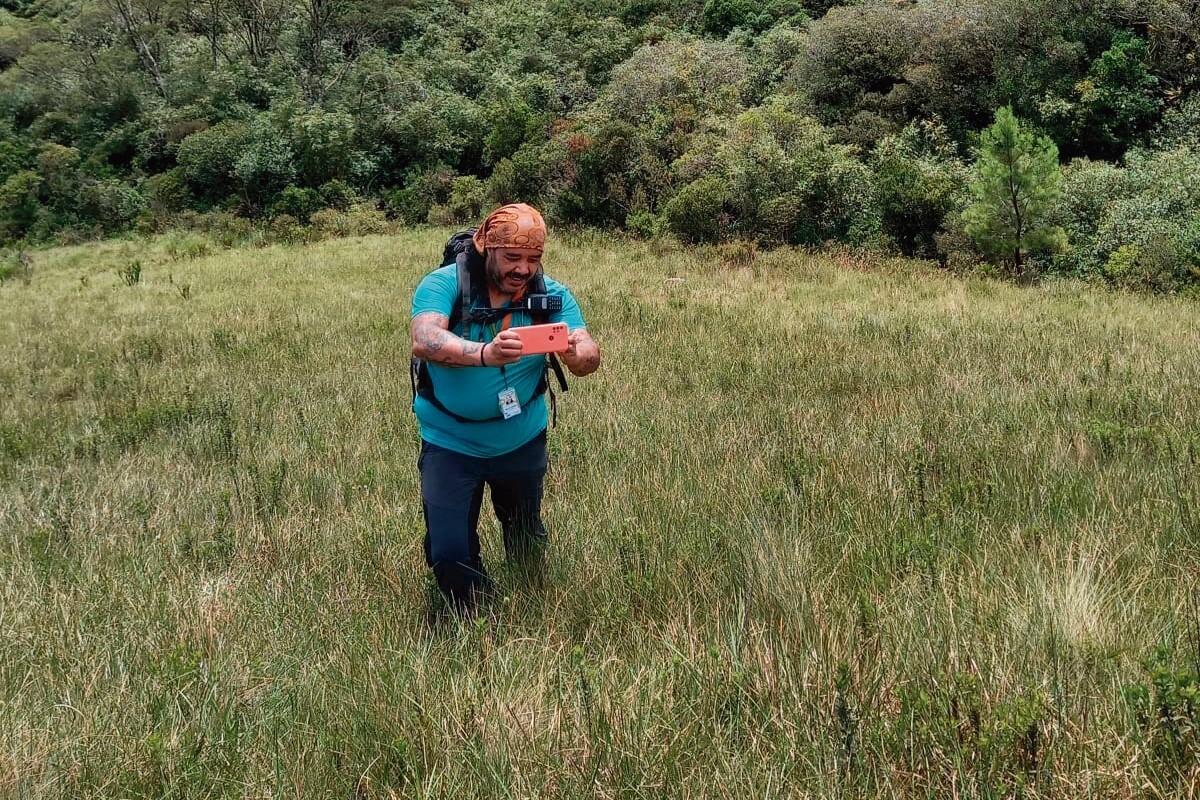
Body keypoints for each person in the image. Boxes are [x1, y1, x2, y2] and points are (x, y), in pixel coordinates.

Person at [410, 203, 601, 611]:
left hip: (521, 437)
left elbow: (587, 352)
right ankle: (472, 615)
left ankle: (532, 599)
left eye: (533, 259)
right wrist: (485, 353)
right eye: (512, 257)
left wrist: (577, 353)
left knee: (525, 532)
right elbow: (425, 340)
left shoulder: (552, 296)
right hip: (450, 442)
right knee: (448, 549)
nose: (523, 268)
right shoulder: (444, 285)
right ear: (485, 247)